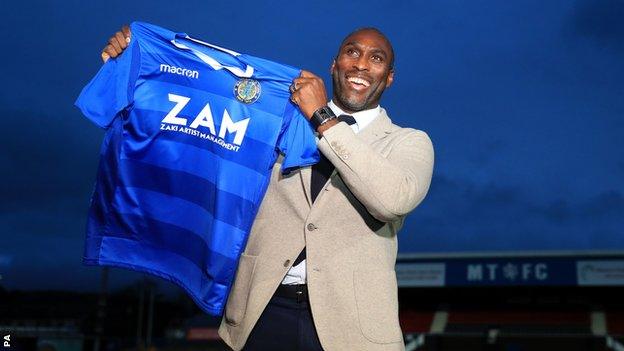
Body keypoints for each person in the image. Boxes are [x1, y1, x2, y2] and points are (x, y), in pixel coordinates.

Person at [101, 25, 434, 351]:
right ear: (335, 64)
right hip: (263, 314)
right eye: (352, 52)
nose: (361, 64)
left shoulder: (409, 142)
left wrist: (321, 117)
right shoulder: (279, 119)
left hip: (352, 328)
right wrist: (143, 58)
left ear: (389, 77)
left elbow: (391, 201)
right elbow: (205, 107)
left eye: (376, 59)